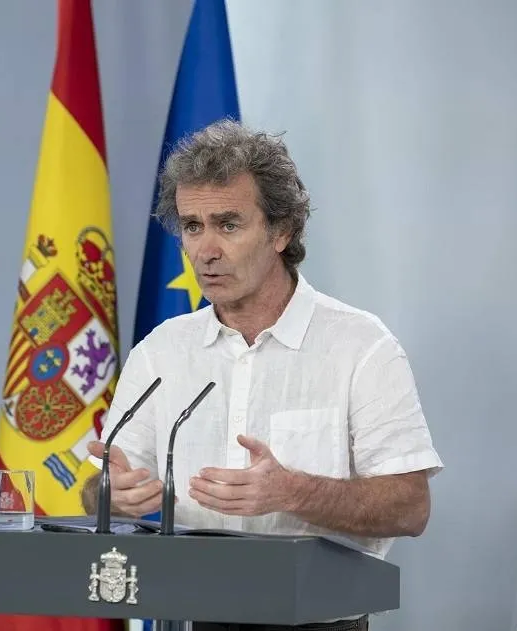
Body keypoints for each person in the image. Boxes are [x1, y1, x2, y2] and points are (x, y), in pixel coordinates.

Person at [80, 119, 443, 631]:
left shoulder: (361, 347)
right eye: (192, 226)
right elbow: (99, 491)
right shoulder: (160, 353)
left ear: (282, 231)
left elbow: (409, 507)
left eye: (228, 225)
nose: (205, 250)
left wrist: (293, 492)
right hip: (187, 618)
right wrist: (110, 495)